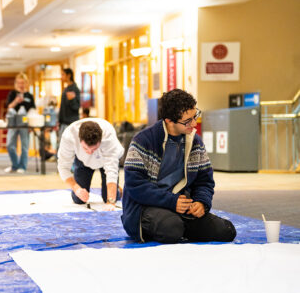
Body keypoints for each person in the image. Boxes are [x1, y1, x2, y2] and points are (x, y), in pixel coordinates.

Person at [121, 89, 237, 243]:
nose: (194, 124)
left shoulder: (195, 142)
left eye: (195, 116)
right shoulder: (143, 141)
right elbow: (135, 186)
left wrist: (202, 202)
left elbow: (204, 181)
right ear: (169, 120)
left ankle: (182, 227)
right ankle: (176, 227)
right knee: (172, 228)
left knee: (226, 231)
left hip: (181, 205)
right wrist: (171, 201)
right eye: (187, 121)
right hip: (145, 207)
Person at [57, 118, 124, 211]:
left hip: (105, 159)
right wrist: (77, 189)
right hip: (82, 160)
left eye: (93, 149)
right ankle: (113, 188)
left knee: (109, 198)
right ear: (79, 139)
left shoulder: (108, 136)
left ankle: (118, 190)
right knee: (78, 199)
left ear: (100, 140)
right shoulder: (69, 136)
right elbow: (63, 167)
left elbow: (111, 170)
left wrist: (111, 201)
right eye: (86, 148)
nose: (90, 152)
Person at [4, 73, 36, 174]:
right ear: (16, 83)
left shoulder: (29, 96)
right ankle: (15, 165)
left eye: (23, 83)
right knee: (10, 145)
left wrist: (32, 125)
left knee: (24, 146)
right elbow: (8, 107)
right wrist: (16, 101)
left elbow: (32, 110)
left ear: (26, 83)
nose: (21, 85)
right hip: (13, 123)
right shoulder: (12, 93)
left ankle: (22, 166)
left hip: (25, 123)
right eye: (19, 83)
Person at [58, 68, 80, 143]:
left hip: (71, 123)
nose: (61, 77)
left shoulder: (75, 89)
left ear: (69, 75)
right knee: (62, 145)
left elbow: (76, 107)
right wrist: (59, 121)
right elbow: (62, 107)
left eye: (63, 74)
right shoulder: (66, 89)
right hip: (63, 123)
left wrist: (72, 99)